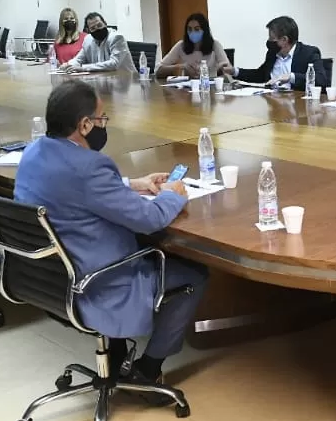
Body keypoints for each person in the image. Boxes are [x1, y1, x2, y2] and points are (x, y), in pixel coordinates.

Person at [14, 80, 209, 389]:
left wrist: (133, 184)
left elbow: (71, 187)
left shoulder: (34, 151)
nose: (105, 125)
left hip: (49, 279)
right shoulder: (91, 166)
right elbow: (149, 219)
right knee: (194, 275)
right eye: (102, 119)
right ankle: (149, 369)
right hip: (99, 283)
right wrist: (174, 194)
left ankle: (116, 349)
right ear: (85, 124)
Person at [236, 15, 326, 92]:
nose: (269, 41)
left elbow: (321, 80)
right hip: (273, 104)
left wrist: (291, 77)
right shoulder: (272, 54)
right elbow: (260, 74)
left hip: (298, 107)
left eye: (272, 38)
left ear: (284, 40)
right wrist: (234, 71)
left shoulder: (309, 53)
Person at [155, 12, 234, 80]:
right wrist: (181, 67)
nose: (192, 32)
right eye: (189, 29)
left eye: (197, 29)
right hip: (187, 91)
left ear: (204, 30)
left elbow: (228, 69)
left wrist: (222, 68)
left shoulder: (215, 45)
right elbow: (158, 70)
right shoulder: (181, 45)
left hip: (210, 88)